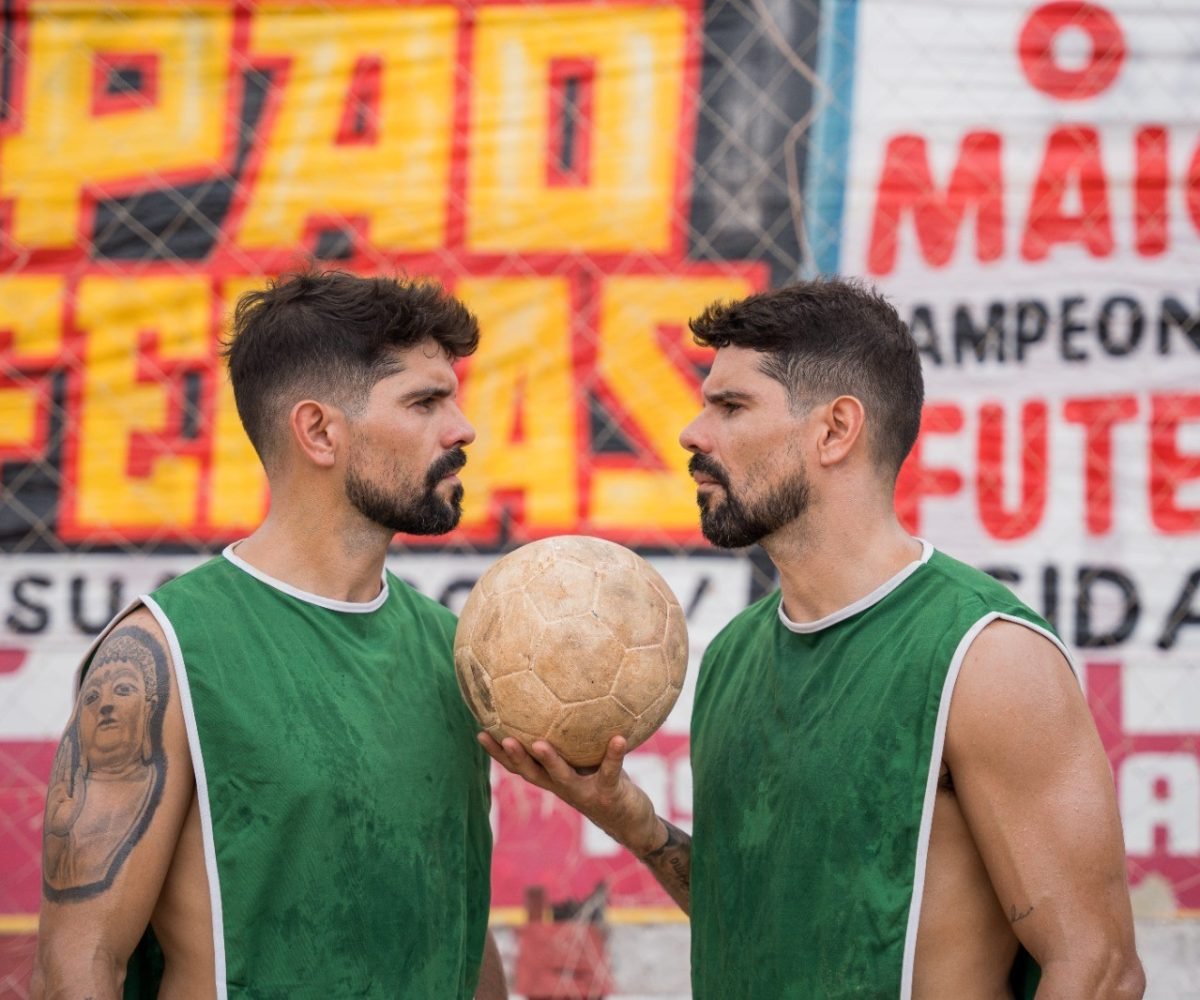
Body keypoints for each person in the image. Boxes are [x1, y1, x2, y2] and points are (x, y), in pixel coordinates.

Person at [482, 278, 1144, 999]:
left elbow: (1098, 969)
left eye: (731, 406)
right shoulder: (734, 655)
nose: (691, 433)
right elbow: (770, 923)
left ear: (835, 430)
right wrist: (639, 826)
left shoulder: (984, 654)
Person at [34, 269, 507, 999]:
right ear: (319, 430)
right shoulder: (165, 654)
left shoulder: (456, 651)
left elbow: (458, 929)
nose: (462, 427)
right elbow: (78, 968)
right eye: (425, 401)